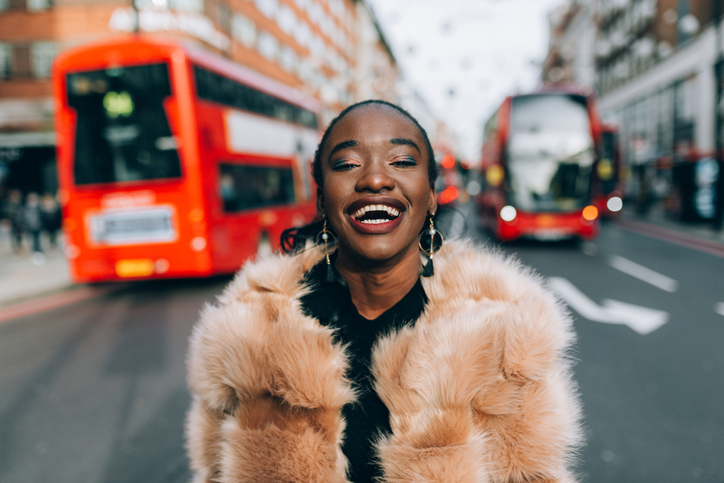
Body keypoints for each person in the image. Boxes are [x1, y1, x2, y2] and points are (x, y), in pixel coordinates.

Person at [185, 100, 582, 483]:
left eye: (403, 162)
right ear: (323, 199)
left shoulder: (507, 336)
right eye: (347, 164)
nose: (375, 178)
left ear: (430, 196)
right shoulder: (245, 335)